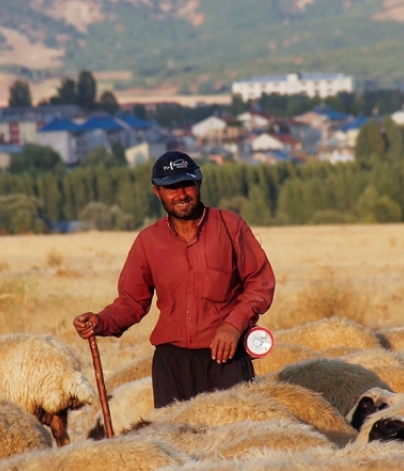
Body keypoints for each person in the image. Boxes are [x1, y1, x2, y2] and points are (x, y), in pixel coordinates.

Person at [73, 147, 275, 408]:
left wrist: (234, 325)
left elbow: (260, 283)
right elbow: (132, 302)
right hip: (171, 367)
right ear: (157, 191)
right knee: (175, 444)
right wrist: (101, 321)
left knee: (231, 443)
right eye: (171, 188)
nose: (181, 194)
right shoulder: (148, 242)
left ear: (198, 183)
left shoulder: (230, 226)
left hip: (226, 358)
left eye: (186, 185)